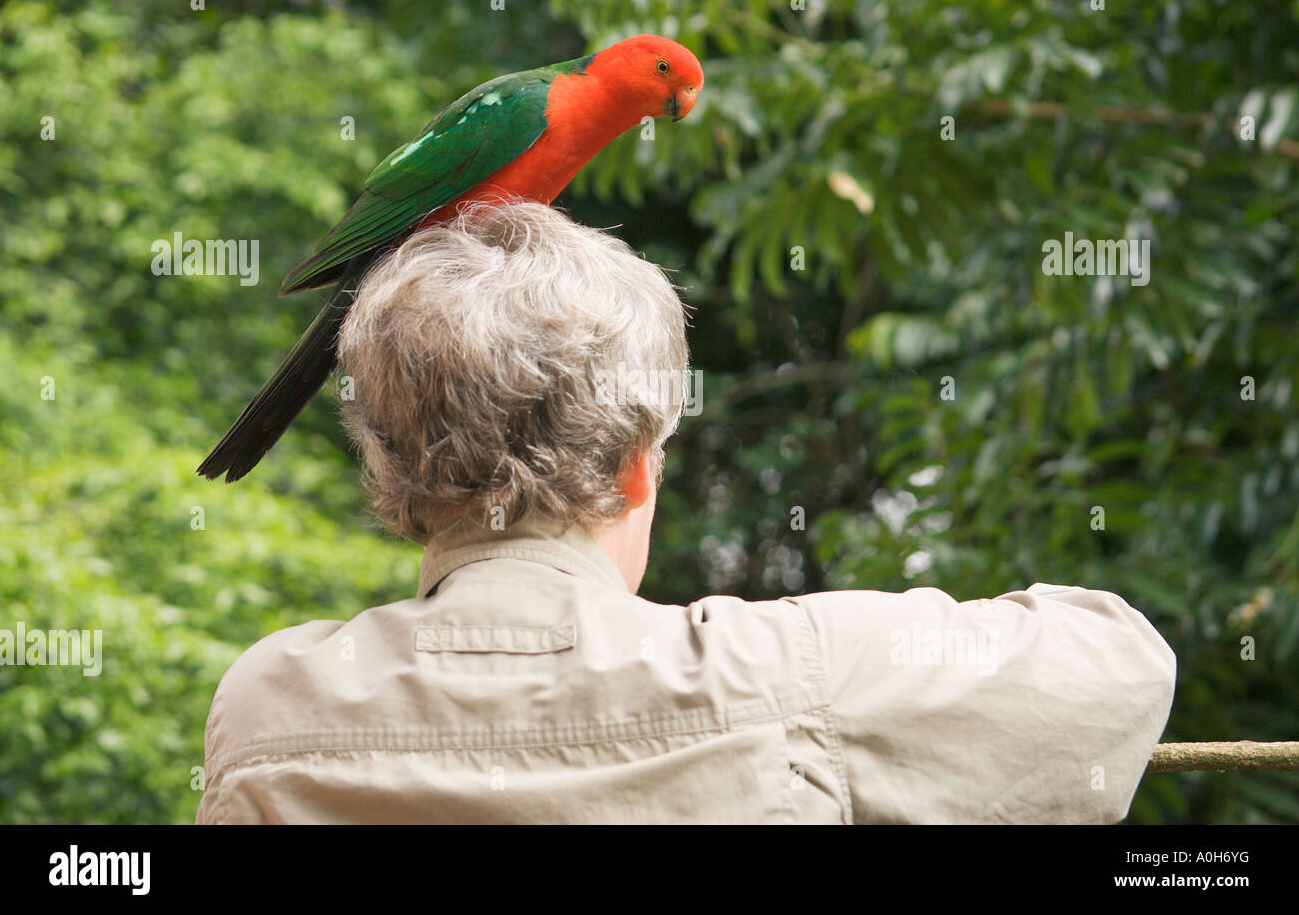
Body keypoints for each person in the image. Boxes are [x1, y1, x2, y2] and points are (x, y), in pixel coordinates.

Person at [197, 201, 1176, 824]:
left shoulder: (269, 706)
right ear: (634, 467)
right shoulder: (788, 676)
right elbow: (1117, 664)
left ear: (393, 480)